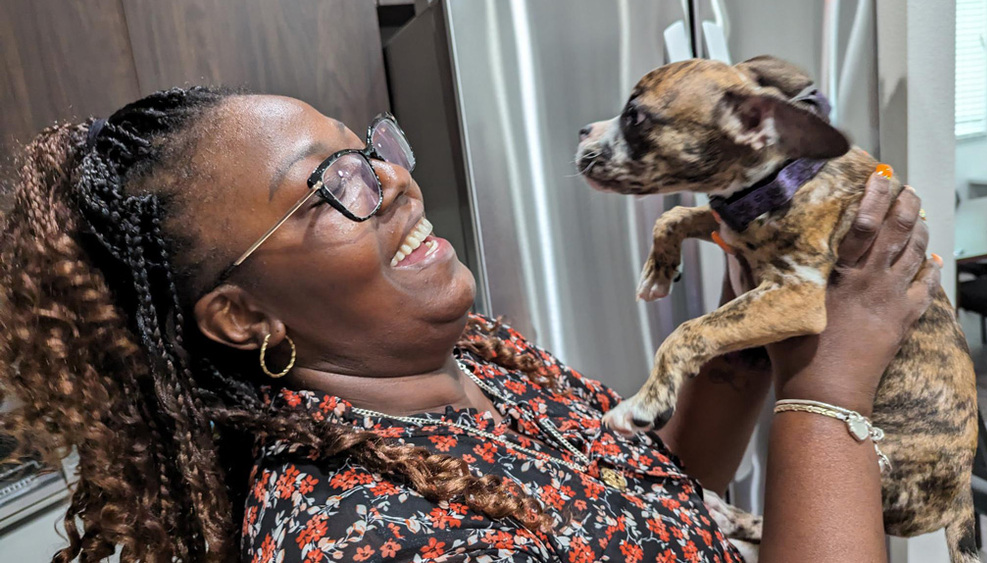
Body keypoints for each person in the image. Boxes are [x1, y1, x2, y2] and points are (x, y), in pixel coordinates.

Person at [0, 86, 937, 563]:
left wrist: (744, 355)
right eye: (334, 186)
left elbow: (648, 501)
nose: (397, 178)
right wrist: (829, 386)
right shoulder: (369, 535)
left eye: (370, 147)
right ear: (244, 314)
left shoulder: (472, 356)